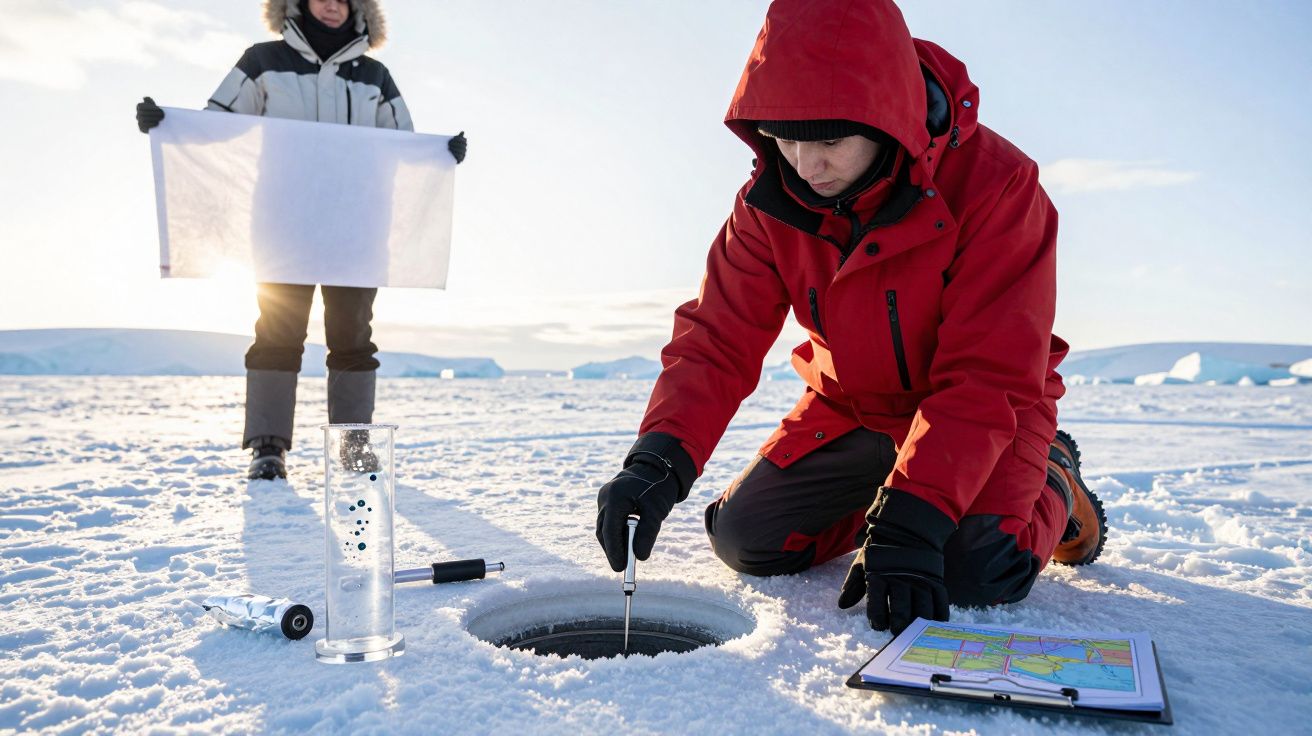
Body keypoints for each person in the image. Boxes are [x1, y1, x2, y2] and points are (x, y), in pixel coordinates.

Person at [594, 0, 1106, 636]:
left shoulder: (999, 185)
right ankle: (896, 486)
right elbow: (718, 338)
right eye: (787, 140)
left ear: (887, 114)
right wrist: (657, 461)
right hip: (856, 407)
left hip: (988, 414)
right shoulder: (769, 201)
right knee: (747, 540)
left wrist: (915, 518)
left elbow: (988, 373)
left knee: (973, 570)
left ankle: (1053, 473)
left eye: (830, 142)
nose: (808, 167)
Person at [135, 0, 467, 480]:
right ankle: (268, 447)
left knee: (352, 336)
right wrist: (166, 123)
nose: (331, 4)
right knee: (277, 330)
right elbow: (219, 123)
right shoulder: (263, 61)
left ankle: (354, 445)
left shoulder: (375, 77)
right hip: (282, 223)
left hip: (355, 226)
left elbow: (403, 144)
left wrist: (440, 155)